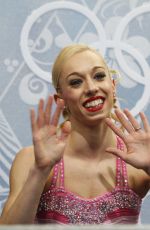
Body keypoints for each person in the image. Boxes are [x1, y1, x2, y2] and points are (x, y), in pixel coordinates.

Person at [0, 44, 150, 225]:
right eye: (76, 82)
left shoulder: (137, 162)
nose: (91, 88)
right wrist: (40, 172)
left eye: (99, 76)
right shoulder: (31, 160)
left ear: (112, 85)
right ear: (60, 99)